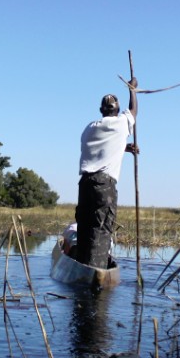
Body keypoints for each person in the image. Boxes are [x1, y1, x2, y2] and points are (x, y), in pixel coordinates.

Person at [74, 78, 138, 268]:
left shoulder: (89, 128)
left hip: (85, 184)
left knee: (85, 227)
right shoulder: (120, 123)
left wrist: (123, 147)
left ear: (101, 110)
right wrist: (132, 89)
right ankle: (96, 272)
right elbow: (134, 111)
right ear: (116, 111)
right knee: (100, 229)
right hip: (103, 185)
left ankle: (80, 267)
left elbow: (100, 149)